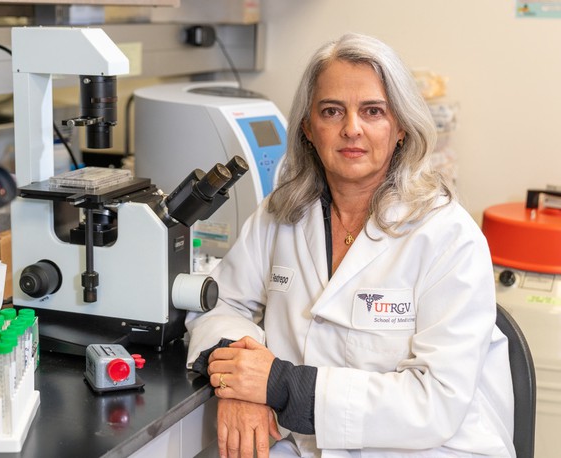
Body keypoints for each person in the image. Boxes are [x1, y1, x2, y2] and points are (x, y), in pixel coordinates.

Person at [185, 33, 515, 457]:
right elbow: (220, 303)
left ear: (400, 128)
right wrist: (237, 383)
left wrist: (278, 385)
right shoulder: (281, 213)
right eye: (331, 111)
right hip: (304, 444)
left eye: (373, 111)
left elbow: (433, 403)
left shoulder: (447, 236)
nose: (351, 128)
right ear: (308, 128)